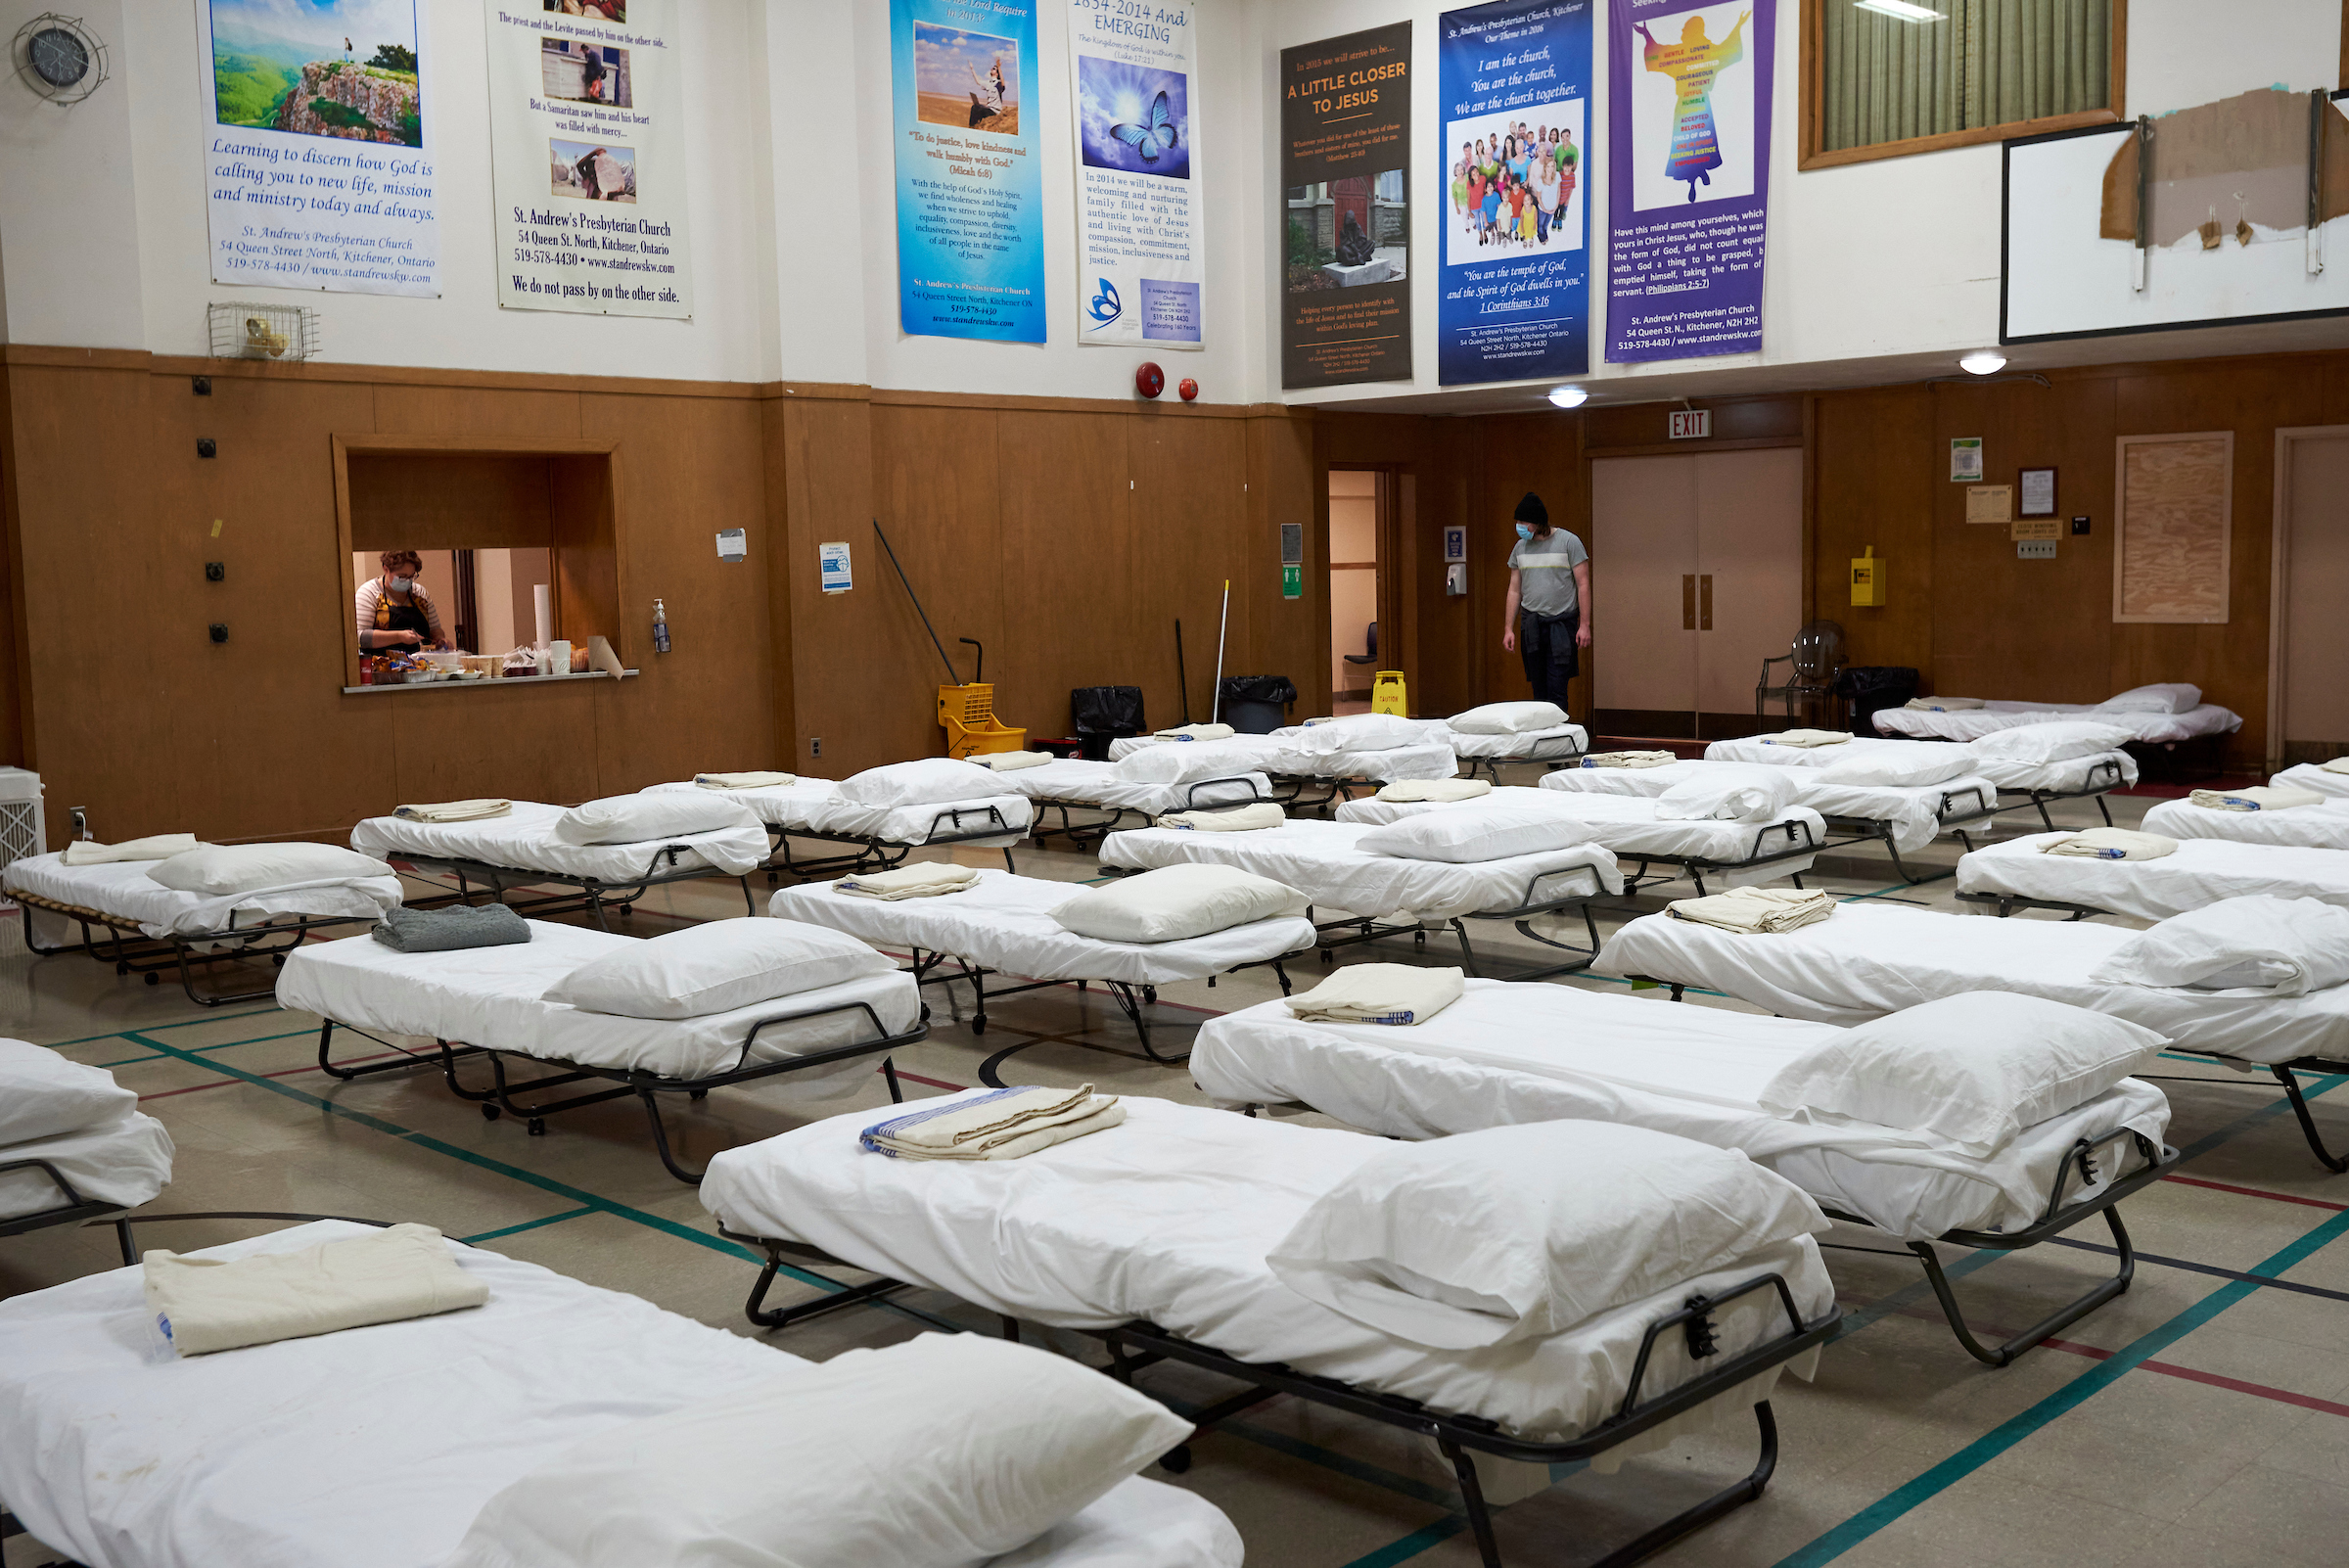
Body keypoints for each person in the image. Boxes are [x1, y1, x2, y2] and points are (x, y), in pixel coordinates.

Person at [1635, 11, 1750, 203]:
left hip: (1695, 104)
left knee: (1697, 143)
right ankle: (1694, 176)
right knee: (1687, 144)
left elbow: (1658, 54)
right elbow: (1728, 50)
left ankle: (1695, 175)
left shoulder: (1699, 50)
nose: (1682, 32)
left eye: (1685, 29)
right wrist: (1737, 26)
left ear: (1692, 30)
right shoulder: (1692, 51)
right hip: (1691, 104)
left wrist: (1738, 25)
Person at [1500, 492, 1590, 714]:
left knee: (1557, 686)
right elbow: (1514, 589)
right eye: (1518, 522)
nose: (1520, 527)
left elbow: (1583, 584)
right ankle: (1542, 742)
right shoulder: (1520, 548)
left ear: (1538, 522)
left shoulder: (1569, 542)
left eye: (1524, 522)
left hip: (1561, 624)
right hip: (1532, 624)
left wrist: (1584, 625)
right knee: (1538, 688)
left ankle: (1559, 741)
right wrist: (1508, 629)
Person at [355, 550, 448, 654]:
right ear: (386, 569)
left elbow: (435, 628)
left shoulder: (420, 593)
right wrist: (399, 637)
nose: (407, 581)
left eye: (411, 577)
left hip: (420, 665)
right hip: (381, 665)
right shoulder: (369, 593)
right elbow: (360, 637)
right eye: (401, 576)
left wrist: (441, 639)